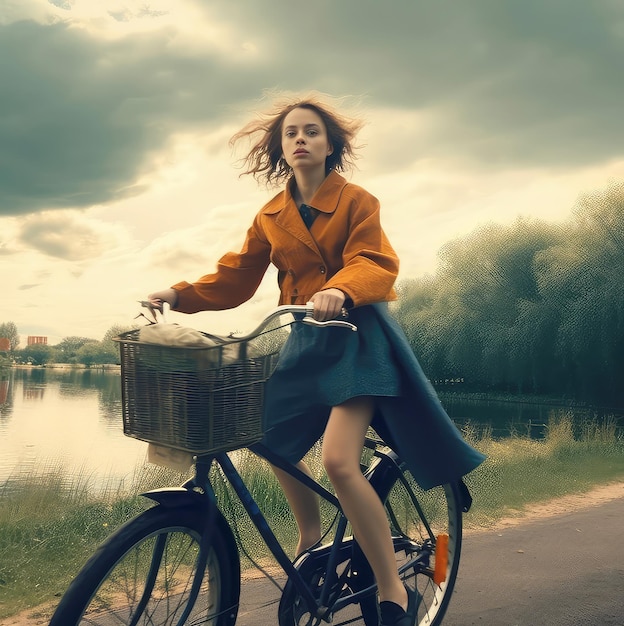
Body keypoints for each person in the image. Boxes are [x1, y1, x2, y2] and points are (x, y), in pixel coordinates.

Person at [148, 93, 485, 626]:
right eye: (290, 133)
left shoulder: (356, 201)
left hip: (356, 341)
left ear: (331, 145)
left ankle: (393, 593)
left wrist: (342, 290)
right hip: (305, 343)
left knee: (337, 461)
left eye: (311, 131)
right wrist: (177, 294)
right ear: (280, 148)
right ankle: (310, 536)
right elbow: (236, 276)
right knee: (265, 436)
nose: (300, 139)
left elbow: (374, 261)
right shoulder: (271, 214)